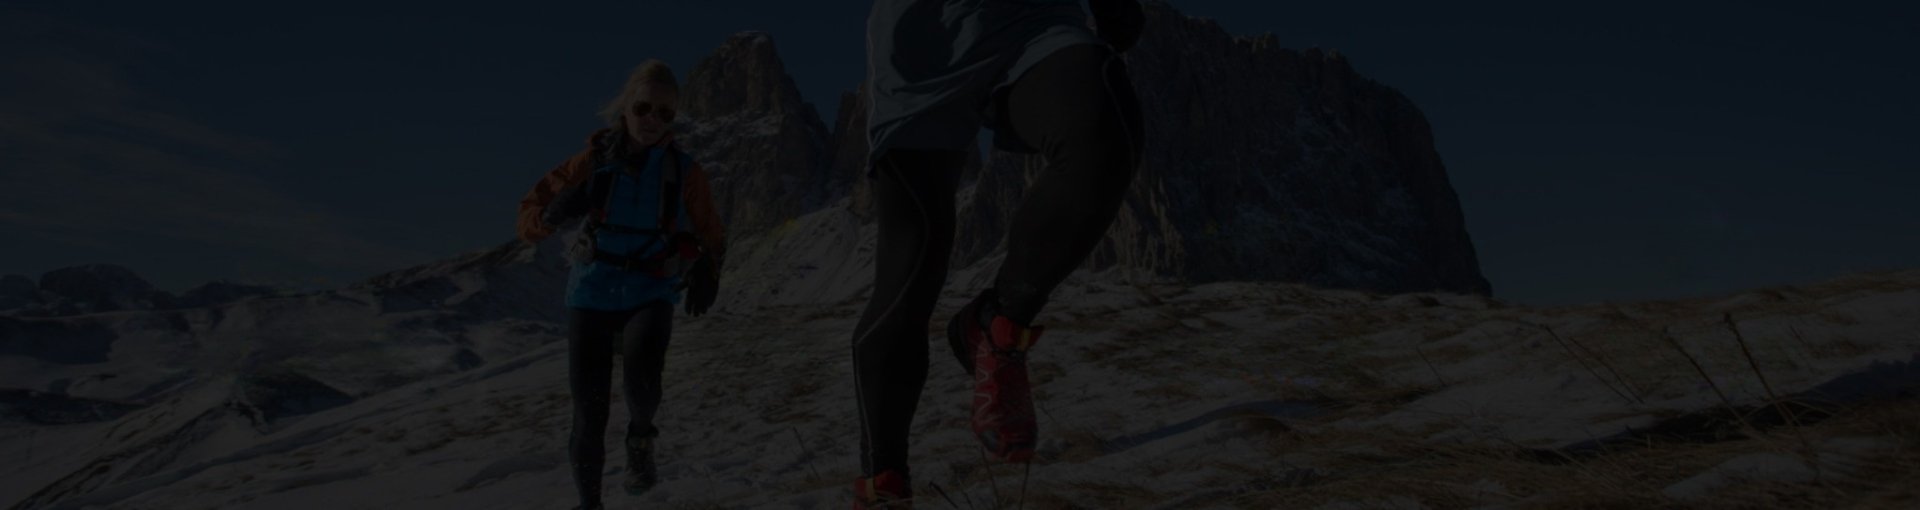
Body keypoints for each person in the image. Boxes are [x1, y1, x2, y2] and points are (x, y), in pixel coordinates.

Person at [850, 0, 1147, 507]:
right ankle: (884, 486)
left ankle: (998, 324)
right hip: (922, 42)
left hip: (1030, 22)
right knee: (910, 274)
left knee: (1102, 134)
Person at [516, 59, 726, 510]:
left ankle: (640, 438)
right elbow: (529, 215)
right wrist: (551, 216)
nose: (653, 120)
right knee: (588, 413)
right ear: (626, 108)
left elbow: (711, 229)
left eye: (665, 113)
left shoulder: (683, 171)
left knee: (642, 382)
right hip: (591, 290)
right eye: (644, 108)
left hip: (651, 289)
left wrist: (710, 270)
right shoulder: (590, 162)